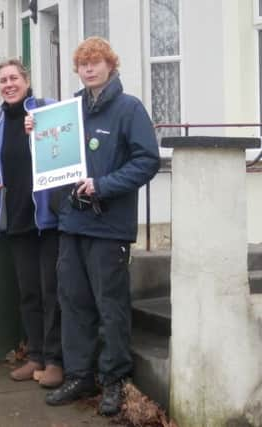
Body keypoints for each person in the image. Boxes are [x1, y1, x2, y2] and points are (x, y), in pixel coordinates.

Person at [36, 37, 160, 415]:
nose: (89, 69)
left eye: (96, 63)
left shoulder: (129, 109)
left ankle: (114, 380)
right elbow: (55, 154)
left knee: (111, 306)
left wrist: (103, 185)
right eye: (83, 64)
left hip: (108, 226)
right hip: (72, 223)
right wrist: (37, 132)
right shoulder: (70, 112)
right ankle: (80, 375)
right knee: (73, 302)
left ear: (110, 65)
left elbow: (147, 160)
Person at [0, 59, 64, 388]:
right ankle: (36, 356)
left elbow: (64, 145)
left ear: (26, 80)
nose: (8, 84)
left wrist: (41, 131)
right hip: (15, 215)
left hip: (47, 218)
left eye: (14, 78)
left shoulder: (45, 109)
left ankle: (56, 362)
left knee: (52, 291)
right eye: (2, 80)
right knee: (28, 292)